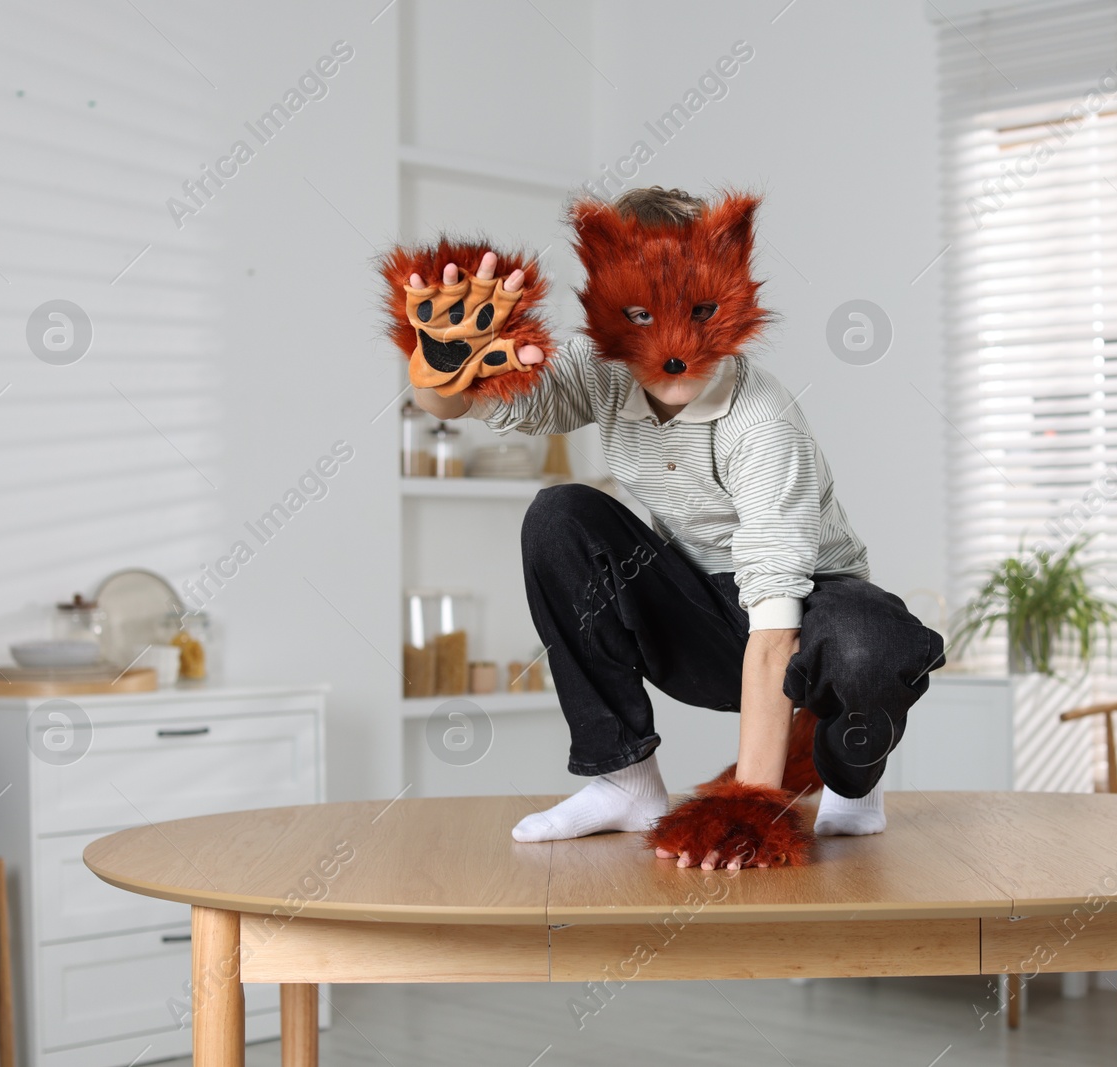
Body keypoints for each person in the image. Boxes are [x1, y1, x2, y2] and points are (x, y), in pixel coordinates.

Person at [397, 185, 943, 869]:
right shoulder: (606, 373)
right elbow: (475, 403)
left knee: (872, 641)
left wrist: (749, 808)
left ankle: (849, 779)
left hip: (806, 619)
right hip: (700, 619)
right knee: (559, 515)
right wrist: (440, 366)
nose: (672, 346)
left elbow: (776, 630)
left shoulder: (761, 422)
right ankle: (625, 782)